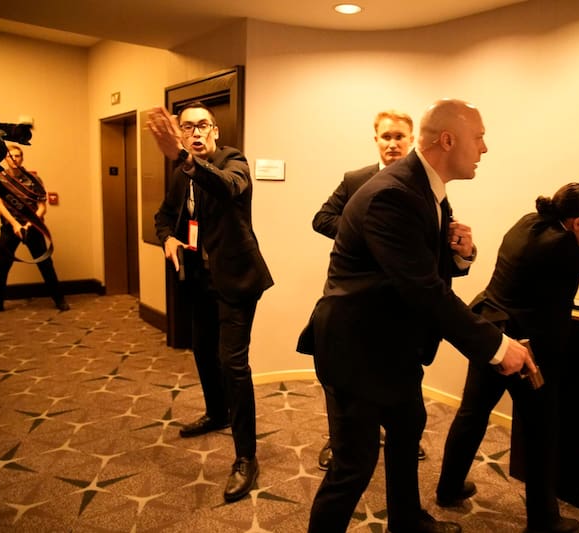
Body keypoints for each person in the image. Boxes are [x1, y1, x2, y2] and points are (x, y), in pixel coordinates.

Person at [297, 98, 535, 533]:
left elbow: (426, 271)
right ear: (448, 140)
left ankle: (406, 522)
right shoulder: (394, 194)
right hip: (358, 349)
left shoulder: (427, 189)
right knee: (354, 465)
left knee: (407, 431)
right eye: (479, 138)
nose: (484, 148)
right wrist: (498, 347)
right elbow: (424, 290)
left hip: (395, 344)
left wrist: (461, 257)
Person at [435, 183, 579, 533]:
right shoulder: (559, 246)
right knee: (541, 432)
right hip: (527, 349)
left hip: (492, 332)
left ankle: (448, 488)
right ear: (577, 221)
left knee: (471, 414)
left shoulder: (532, 222)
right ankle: (544, 521)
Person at [148, 102, 273, 504]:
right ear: (180, 133)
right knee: (203, 350)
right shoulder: (178, 176)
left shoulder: (234, 162)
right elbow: (164, 216)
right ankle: (217, 413)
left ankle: (246, 457)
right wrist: (167, 237)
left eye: (202, 126)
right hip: (199, 279)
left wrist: (184, 158)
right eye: (187, 128)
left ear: (215, 131)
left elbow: (227, 187)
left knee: (233, 364)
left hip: (237, 280)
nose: (196, 133)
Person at [312, 109, 426, 469]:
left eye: (399, 136)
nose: (392, 143)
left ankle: (402, 435)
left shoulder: (425, 183)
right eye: (386, 136)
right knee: (346, 377)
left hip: (398, 301)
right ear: (376, 139)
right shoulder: (355, 180)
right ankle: (340, 442)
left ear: (411, 140)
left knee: (397, 372)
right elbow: (321, 219)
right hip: (353, 300)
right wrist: (367, 235)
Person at [0, 144, 69, 315]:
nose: (14, 159)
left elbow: (42, 207)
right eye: (10, 156)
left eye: (17, 156)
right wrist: (15, 224)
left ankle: (60, 300)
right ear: (5, 158)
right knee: (1, 265)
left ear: (22, 158)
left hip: (32, 227)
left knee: (45, 264)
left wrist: (28, 224)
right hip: (10, 227)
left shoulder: (34, 179)